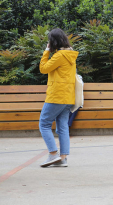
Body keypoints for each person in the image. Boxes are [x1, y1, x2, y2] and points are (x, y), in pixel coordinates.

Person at [39, 28, 79, 167]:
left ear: (53, 42)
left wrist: (46, 51)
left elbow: (43, 69)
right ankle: (62, 159)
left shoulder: (59, 56)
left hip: (56, 96)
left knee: (44, 123)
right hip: (68, 96)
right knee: (62, 127)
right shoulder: (71, 55)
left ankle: (53, 154)